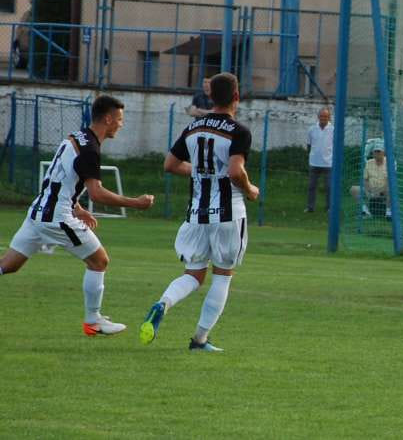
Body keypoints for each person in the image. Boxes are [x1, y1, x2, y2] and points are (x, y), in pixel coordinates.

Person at [0, 95, 155, 336]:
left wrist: (77, 207)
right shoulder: (91, 150)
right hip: (56, 217)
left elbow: (59, 177)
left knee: (8, 265)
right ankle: (93, 322)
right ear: (108, 119)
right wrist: (135, 203)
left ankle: (94, 320)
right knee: (99, 261)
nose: (121, 124)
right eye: (119, 119)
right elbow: (97, 193)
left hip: (39, 211)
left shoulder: (77, 136)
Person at [139, 72, 258, 352]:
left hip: (196, 212)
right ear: (237, 97)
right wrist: (251, 189)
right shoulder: (239, 131)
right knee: (223, 274)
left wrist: (201, 172)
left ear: (211, 97)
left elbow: (170, 164)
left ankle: (163, 303)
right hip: (228, 212)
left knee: (193, 274)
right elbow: (234, 171)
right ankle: (200, 340)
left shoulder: (194, 128)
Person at [350, 140, 391, 218]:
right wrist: (369, 191)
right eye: (375, 152)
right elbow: (365, 180)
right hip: (371, 189)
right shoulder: (369, 163)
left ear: (384, 153)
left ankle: (388, 212)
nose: (376, 154)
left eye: (379, 151)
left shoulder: (389, 162)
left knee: (390, 190)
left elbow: (390, 181)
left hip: (384, 189)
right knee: (354, 189)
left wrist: (380, 191)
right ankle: (365, 211)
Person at [305, 107, 333, 213]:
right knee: (311, 186)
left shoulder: (333, 129)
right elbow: (308, 145)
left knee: (329, 187)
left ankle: (329, 207)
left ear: (329, 117)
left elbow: (335, 146)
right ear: (318, 117)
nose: (323, 118)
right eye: (321, 116)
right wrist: (312, 155)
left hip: (328, 163)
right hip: (314, 163)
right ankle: (310, 207)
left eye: (326, 116)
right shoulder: (312, 129)